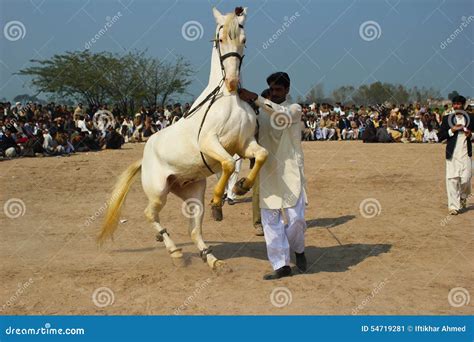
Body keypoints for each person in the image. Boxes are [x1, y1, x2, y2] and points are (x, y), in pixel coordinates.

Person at [238, 72, 307, 280]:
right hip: (267, 172)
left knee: (296, 220)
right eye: (272, 90)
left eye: (279, 90)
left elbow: (281, 115)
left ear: (287, 90)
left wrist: (257, 98)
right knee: (270, 221)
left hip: (290, 172)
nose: (275, 93)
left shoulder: (294, 109)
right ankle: (281, 265)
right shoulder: (260, 113)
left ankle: (299, 249)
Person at [438, 95, 474, 215]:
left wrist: (471, 135)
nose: (457, 106)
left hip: (465, 153)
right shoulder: (447, 119)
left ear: (463, 105)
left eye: (459, 104)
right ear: (452, 105)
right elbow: (440, 136)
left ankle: (463, 196)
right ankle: (454, 207)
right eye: (455, 104)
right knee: (452, 179)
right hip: (452, 154)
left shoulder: (471, 118)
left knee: (466, 179)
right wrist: (451, 130)